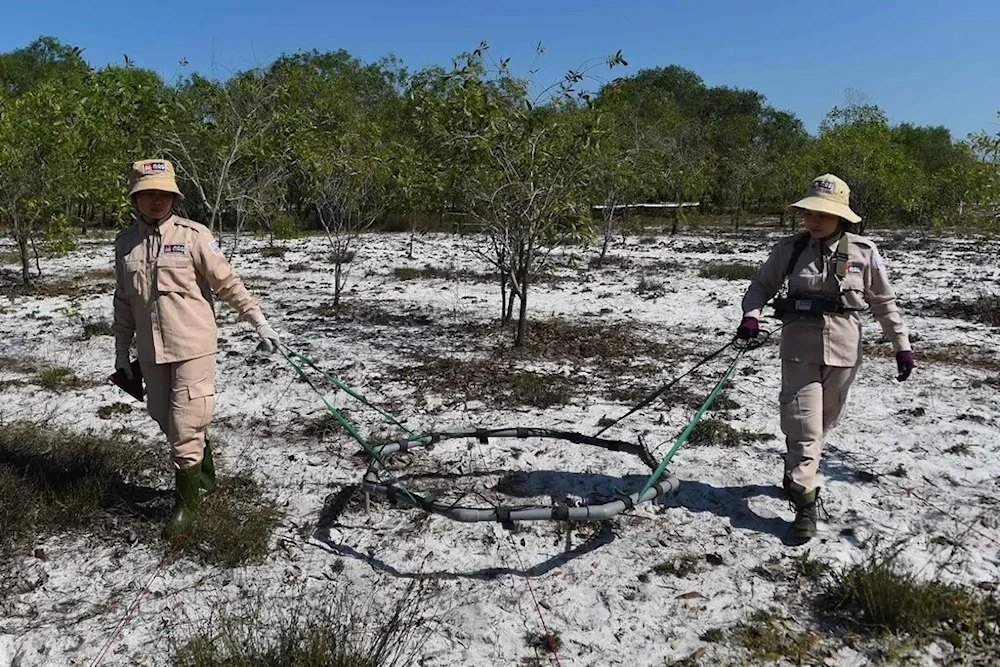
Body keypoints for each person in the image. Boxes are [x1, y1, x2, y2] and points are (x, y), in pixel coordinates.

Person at [737, 173, 914, 545]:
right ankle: (805, 503)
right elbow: (761, 286)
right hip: (799, 350)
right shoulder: (789, 249)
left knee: (822, 424)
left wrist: (901, 344)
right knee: (805, 427)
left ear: (841, 217)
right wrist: (751, 315)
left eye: (823, 214)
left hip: (845, 353)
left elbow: (884, 302)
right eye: (809, 213)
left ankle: (795, 471)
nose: (814, 220)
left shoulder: (864, 253)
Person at [112, 159, 281, 537]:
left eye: (164, 194)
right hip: (152, 350)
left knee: (185, 425)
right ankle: (204, 475)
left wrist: (259, 321)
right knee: (162, 416)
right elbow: (124, 301)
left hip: (194, 345)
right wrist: (122, 351)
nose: (157, 201)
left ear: (174, 196)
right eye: (149, 194)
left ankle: (186, 507)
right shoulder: (124, 243)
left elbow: (227, 283)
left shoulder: (195, 235)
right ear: (136, 198)